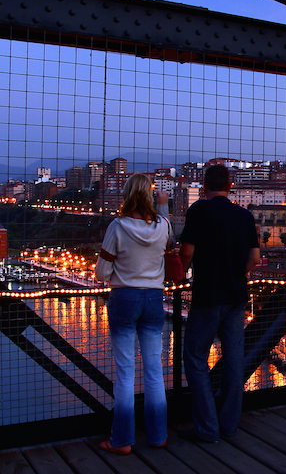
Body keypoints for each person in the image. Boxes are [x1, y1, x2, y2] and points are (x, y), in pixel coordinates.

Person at [179, 164, 260, 443]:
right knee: (235, 361)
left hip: (208, 295)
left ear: (204, 185)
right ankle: (228, 425)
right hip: (237, 296)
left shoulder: (198, 210)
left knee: (194, 357)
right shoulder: (244, 215)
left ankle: (207, 427)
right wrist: (239, 273)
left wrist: (184, 271)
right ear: (230, 186)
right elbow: (255, 258)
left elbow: (187, 251)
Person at [95, 174, 171, 454]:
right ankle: (158, 435)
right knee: (154, 371)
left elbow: (102, 272)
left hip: (124, 297)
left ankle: (122, 440)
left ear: (126, 194)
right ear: (151, 196)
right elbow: (168, 244)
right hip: (153, 298)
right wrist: (163, 207)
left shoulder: (117, 226)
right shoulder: (163, 225)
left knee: (125, 373)